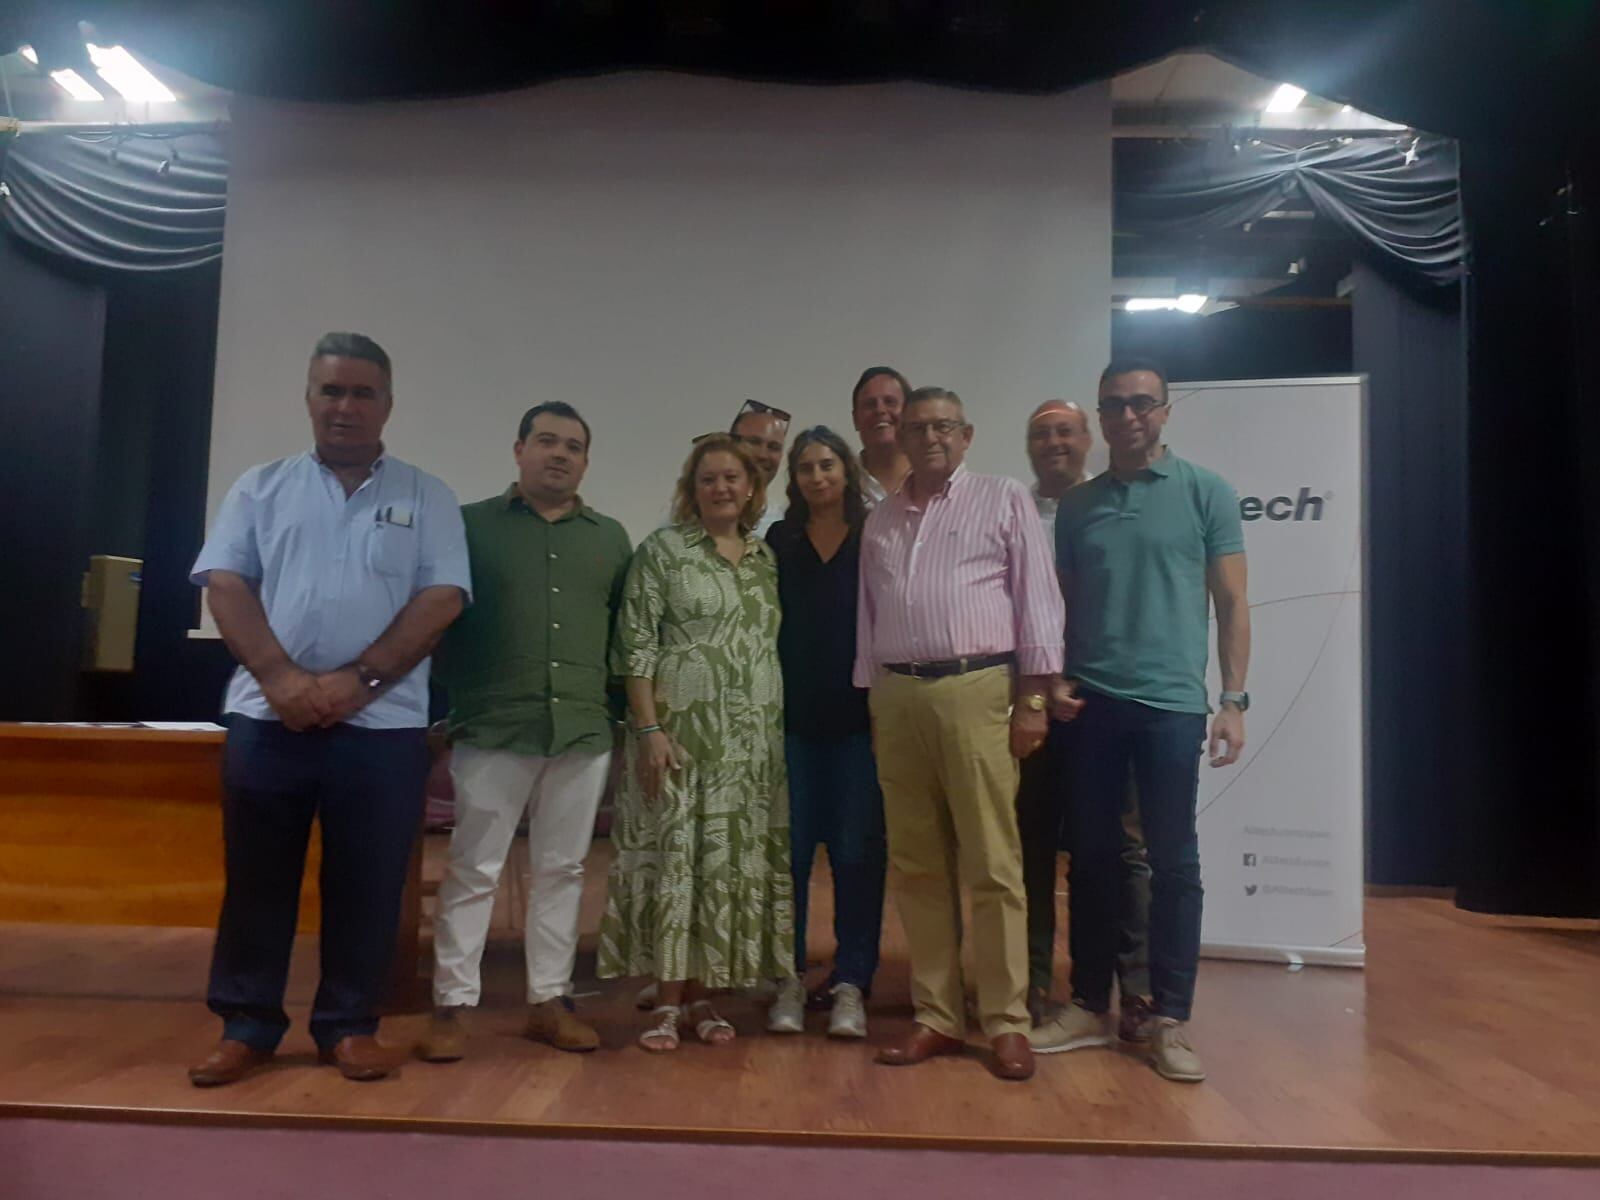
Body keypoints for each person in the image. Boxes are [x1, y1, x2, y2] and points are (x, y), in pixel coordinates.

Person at [186, 332, 470, 1086]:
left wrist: (361, 683)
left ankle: (348, 1025)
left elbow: (441, 597)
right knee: (256, 879)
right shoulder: (260, 487)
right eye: (331, 391)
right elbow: (226, 585)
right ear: (309, 398)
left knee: (370, 882)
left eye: (362, 393)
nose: (345, 407)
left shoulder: (426, 495)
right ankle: (247, 1025)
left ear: (387, 404)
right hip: (266, 718)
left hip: (381, 727)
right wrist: (280, 677)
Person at [1031, 358, 1251, 1084]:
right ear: (1102, 417)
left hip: (1171, 706)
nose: (1128, 417)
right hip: (1092, 703)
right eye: (1114, 406)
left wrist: (1233, 700)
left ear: (1164, 410)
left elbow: (1231, 603)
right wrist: (1055, 677)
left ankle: (1170, 1018)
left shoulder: (1205, 492)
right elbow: (1060, 607)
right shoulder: (1081, 507)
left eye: (1140, 404)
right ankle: (1091, 1004)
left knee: (1173, 863)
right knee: (1090, 861)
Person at [855, 386, 1064, 1082]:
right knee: (916, 865)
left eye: (943, 426)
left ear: (967, 435)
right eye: (917, 427)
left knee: (993, 863)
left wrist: (1034, 696)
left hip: (979, 690)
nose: (929, 437)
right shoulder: (881, 518)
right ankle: (937, 1016)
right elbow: (868, 615)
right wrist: (874, 702)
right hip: (898, 695)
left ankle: (1006, 1021)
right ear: (900, 438)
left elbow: (1038, 595)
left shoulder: (1004, 498)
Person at [418, 402, 631, 1062]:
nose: (559, 454)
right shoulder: (470, 528)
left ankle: (549, 1000)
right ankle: (453, 1007)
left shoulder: (610, 538)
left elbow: (625, 637)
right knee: (475, 868)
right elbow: (441, 625)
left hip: (581, 730)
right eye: (546, 441)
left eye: (573, 445)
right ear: (519, 450)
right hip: (494, 725)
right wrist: (460, 703)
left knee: (563, 871)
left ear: (586, 461)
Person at [599, 434, 795, 1051]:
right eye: (709, 479)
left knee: (724, 868)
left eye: (732, 478)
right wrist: (650, 728)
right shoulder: (662, 551)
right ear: (692, 488)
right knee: (679, 862)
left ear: (750, 488)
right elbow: (636, 645)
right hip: (680, 739)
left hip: (751, 743)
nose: (722, 488)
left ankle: (705, 995)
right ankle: (667, 1002)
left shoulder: (764, 558)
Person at [1016, 401, 1154, 1037]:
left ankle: (1134, 988)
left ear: (1087, 438)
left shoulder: (1111, 505)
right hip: (1032, 699)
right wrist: (1039, 688)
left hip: (1105, 699)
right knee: (1032, 846)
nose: (1054, 443)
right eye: (1042, 434)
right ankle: (1035, 980)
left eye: (1064, 431)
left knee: (1118, 849)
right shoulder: (1012, 511)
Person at [765, 427, 886, 1039]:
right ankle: (787, 979)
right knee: (787, 858)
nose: (817, 477)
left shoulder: (876, 535)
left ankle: (850, 983)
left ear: (848, 471)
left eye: (827, 465)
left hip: (860, 726)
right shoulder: (778, 540)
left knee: (856, 856)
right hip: (791, 724)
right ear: (795, 479)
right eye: (806, 468)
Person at [850, 366, 912, 508]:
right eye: (869, 404)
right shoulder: (841, 487)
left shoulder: (932, 480)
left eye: (890, 402)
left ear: (910, 413)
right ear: (855, 419)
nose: (880, 410)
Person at [730, 399, 792, 535]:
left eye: (774, 447)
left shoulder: (783, 528)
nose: (763, 455)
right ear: (730, 445)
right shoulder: (692, 519)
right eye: (753, 442)